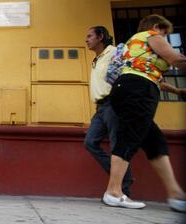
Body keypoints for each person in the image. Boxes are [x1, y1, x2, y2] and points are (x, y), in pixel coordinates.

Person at [102, 14, 186, 212]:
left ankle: (176, 194)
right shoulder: (151, 35)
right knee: (130, 136)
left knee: (155, 142)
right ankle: (113, 192)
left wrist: (176, 91)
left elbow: (149, 73)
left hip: (128, 88)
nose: (164, 38)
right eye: (165, 34)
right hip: (138, 90)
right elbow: (175, 59)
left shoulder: (136, 46)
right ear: (157, 27)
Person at [84, 26, 134, 197]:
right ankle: (120, 180)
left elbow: (129, 71)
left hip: (113, 103)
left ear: (101, 36)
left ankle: (122, 189)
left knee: (117, 145)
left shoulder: (114, 52)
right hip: (100, 108)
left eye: (90, 36)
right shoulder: (96, 59)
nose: (86, 39)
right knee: (90, 142)